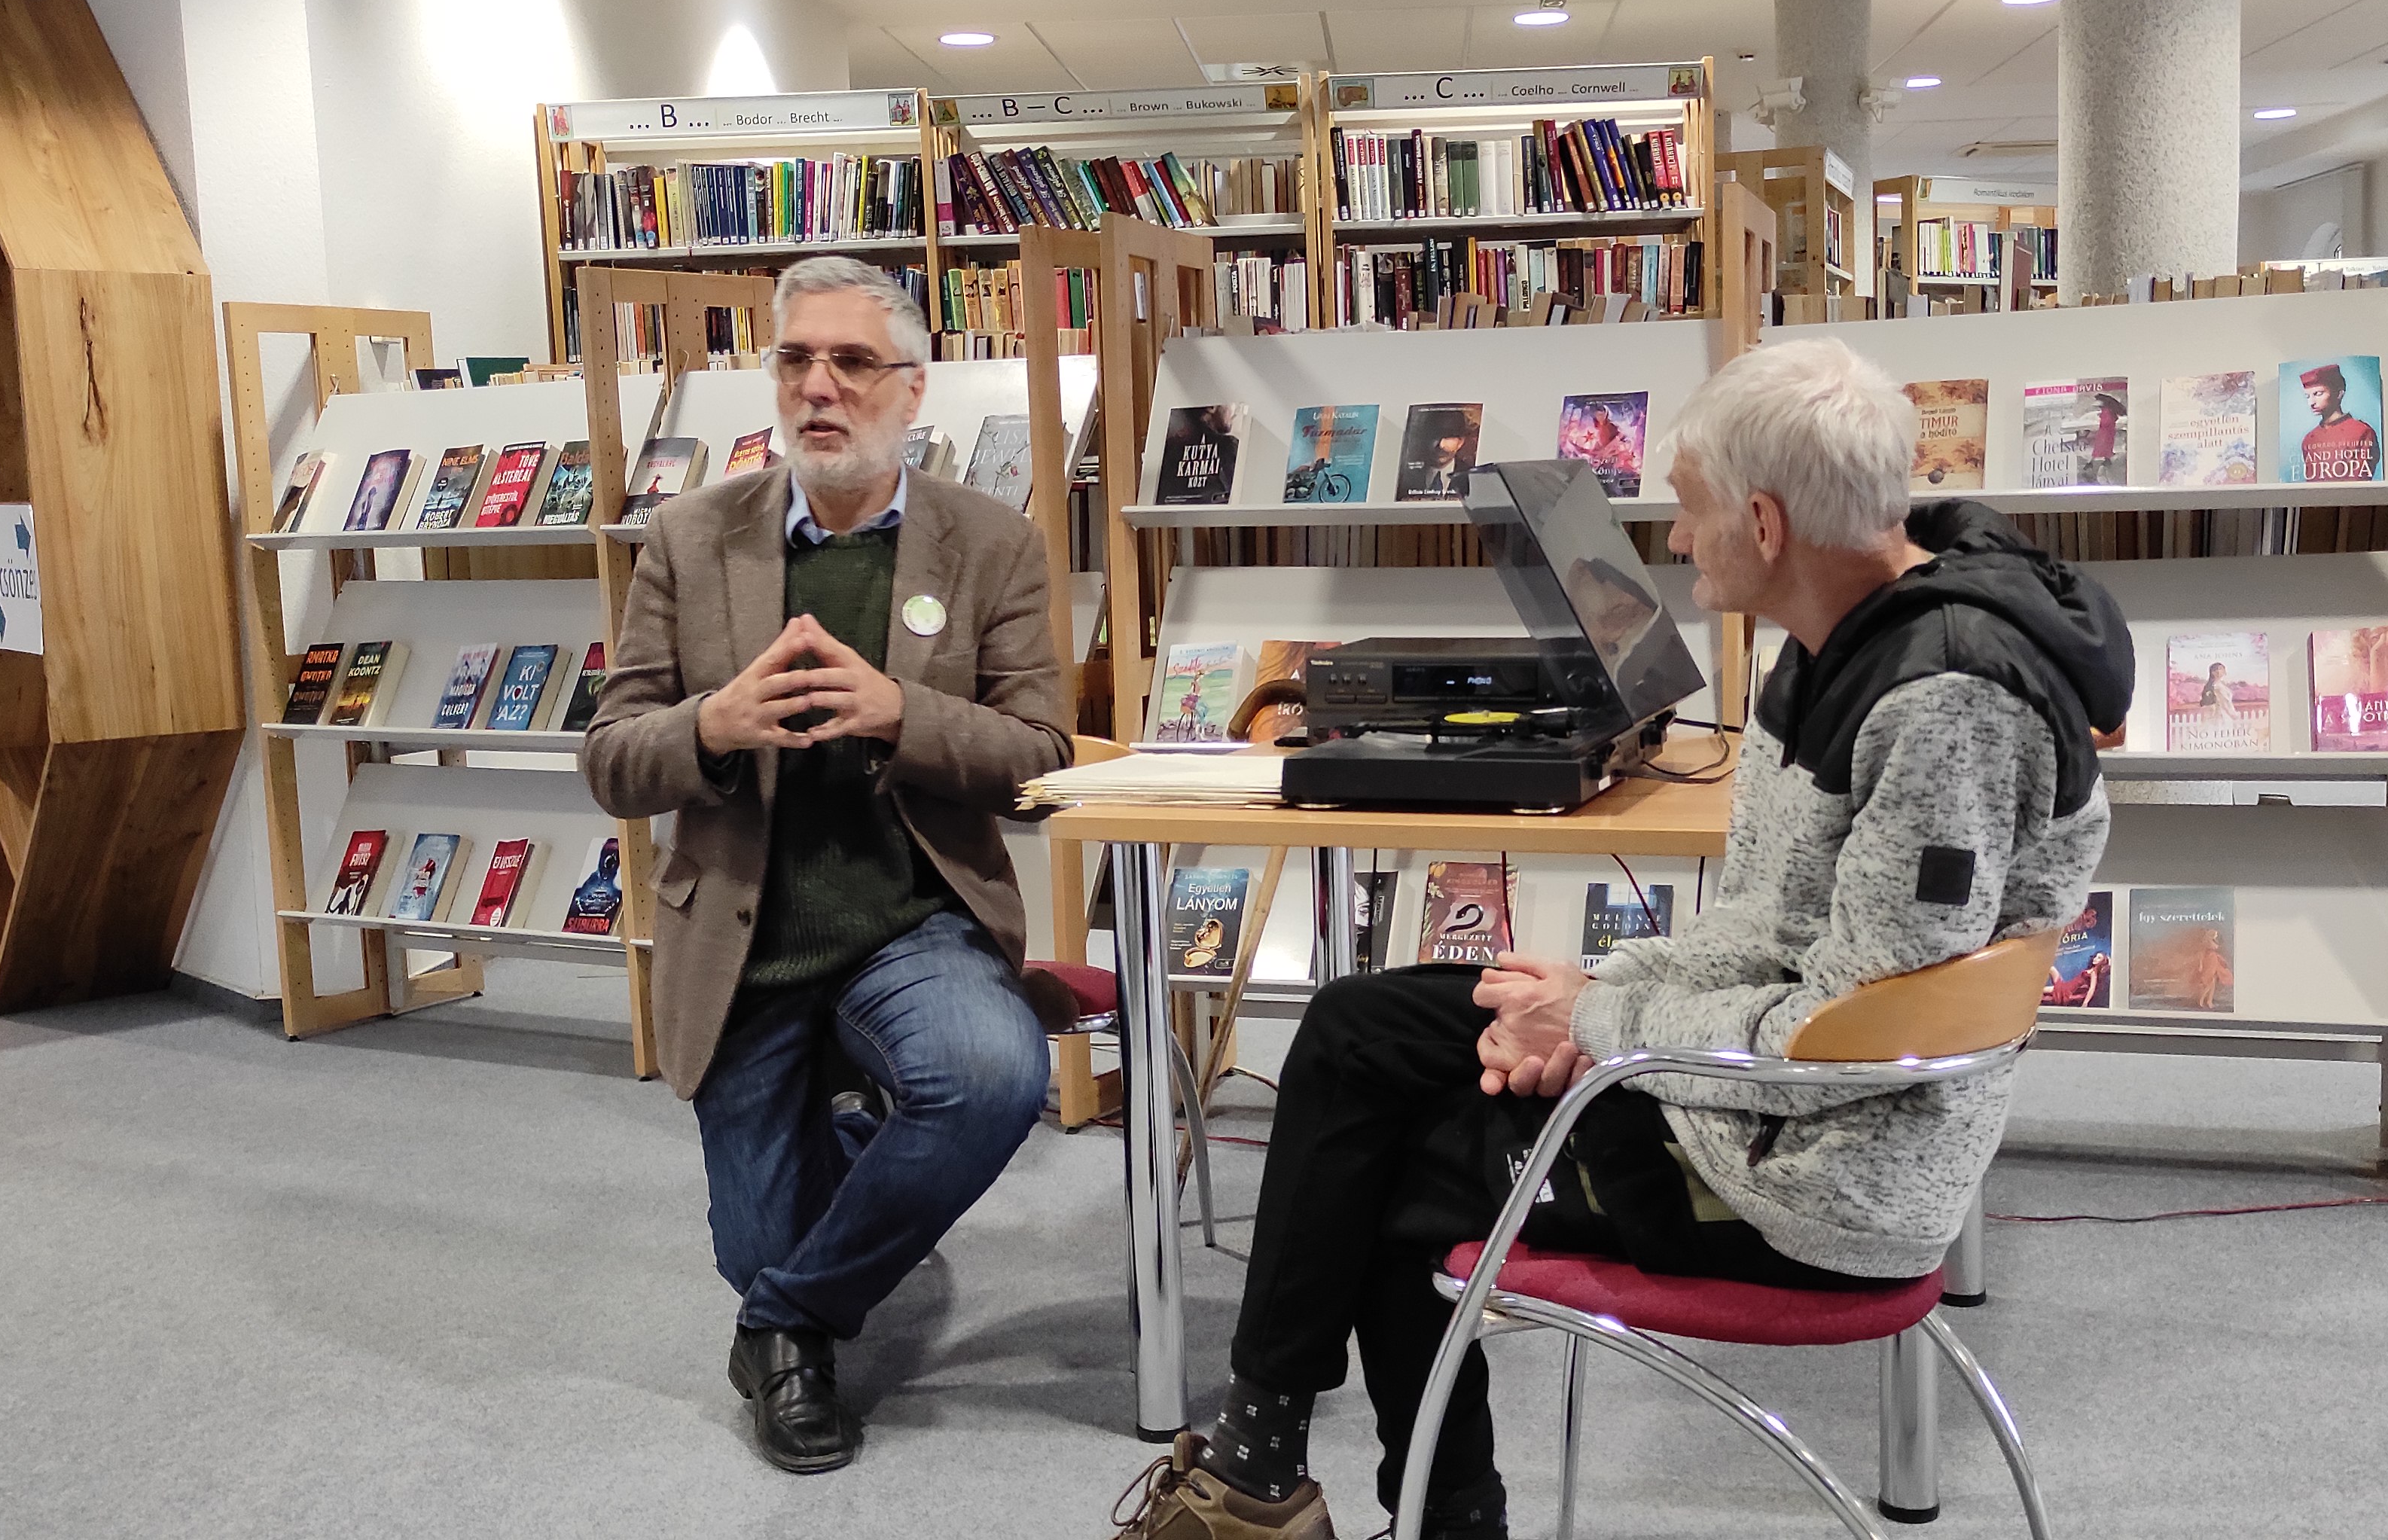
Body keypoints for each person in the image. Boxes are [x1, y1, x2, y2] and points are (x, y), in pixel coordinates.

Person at [1106, 339, 2130, 1539]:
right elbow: (1765, 927)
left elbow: (1850, 1035)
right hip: (1751, 1104)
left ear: (1765, 522)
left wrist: (1598, 1023)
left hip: (1811, 1179)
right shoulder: (1835, 642)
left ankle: (1316, 1490)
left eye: (1691, 510)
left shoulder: (1944, 702)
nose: (1677, 540)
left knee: (1390, 1161)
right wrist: (1599, 993)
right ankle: (1269, 1472)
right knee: (1357, 1026)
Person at [580, 255, 1067, 1475]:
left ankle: (787, 1329)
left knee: (991, 1074)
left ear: (912, 388)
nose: (819, 387)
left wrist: (904, 713)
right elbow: (612, 761)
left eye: (852, 362)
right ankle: (830, 1201)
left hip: (913, 919)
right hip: (745, 937)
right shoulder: (689, 538)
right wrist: (710, 728)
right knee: (756, 1244)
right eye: (797, 359)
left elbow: (1041, 760)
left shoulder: (991, 543)